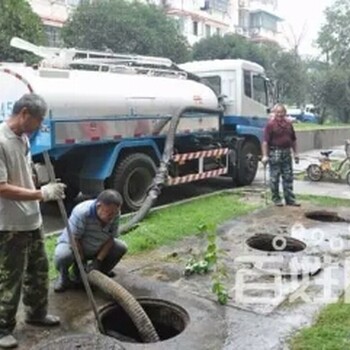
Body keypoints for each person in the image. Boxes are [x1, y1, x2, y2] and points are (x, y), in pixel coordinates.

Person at [0, 94, 66, 349]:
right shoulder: (1, 140)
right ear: (25, 113)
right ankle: (3, 327)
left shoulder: (23, 138)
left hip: (31, 218)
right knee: (9, 277)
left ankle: (36, 314)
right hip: (10, 224)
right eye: (38, 120)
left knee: (38, 271)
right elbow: (2, 187)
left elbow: (22, 175)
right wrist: (41, 194)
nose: (40, 126)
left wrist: (39, 181)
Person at [54, 189, 127, 293]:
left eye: (115, 213)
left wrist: (98, 261)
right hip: (74, 245)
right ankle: (64, 278)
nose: (112, 217)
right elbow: (75, 239)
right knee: (62, 255)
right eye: (109, 213)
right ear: (98, 206)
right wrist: (82, 261)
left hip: (98, 245)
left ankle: (99, 274)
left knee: (121, 247)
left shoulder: (115, 213)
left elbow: (111, 238)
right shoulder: (82, 212)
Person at [261, 103, 300, 207]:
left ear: (285, 113)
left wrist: (296, 154)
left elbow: (293, 140)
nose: (279, 114)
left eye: (281, 112)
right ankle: (276, 199)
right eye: (277, 112)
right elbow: (265, 142)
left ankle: (290, 199)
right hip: (275, 153)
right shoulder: (270, 125)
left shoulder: (288, 124)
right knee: (274, 178)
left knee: (288, 177)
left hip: (286, 152)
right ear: (274, 113)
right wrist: (265, 156)